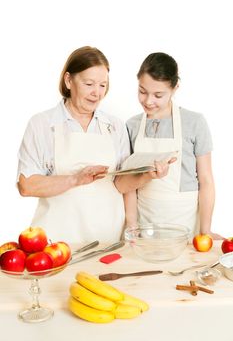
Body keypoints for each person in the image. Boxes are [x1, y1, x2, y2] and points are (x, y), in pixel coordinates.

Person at [17, 46, 169, 243]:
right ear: (69, 80)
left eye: (103, 85)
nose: (96, 93)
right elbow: (26, 185)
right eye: (89, 84)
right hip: (55, 241)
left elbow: (120, 184)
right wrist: (75, 179)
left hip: (107, 239)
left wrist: (148, 175)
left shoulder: (114, 127)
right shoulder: (42, 124)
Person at [116, 52, 222, 239]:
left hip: (185, 221)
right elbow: (128, 183)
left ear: (175, 89)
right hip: (144, 222)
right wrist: (131, 225)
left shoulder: (194, 123)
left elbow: (206, 180)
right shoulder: (132, 126)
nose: (148, 101)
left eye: (158, 95)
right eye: (142, 91)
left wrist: (205, 231)